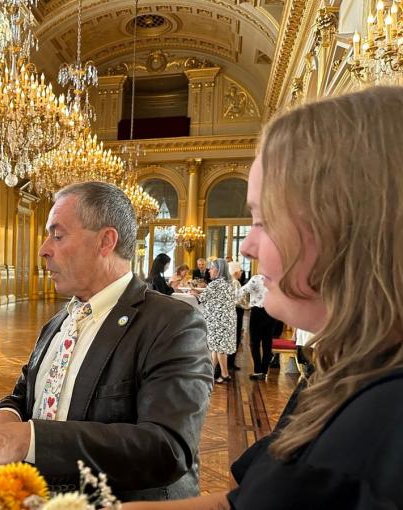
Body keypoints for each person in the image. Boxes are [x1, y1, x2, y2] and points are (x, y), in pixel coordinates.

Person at [123, 87, 403, 509]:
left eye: (263, 220)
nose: (248, 247)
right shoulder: (341, 370)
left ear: (349, 224)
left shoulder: (383, 429)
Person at [0, 182, 212, 501]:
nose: (44, 249)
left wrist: (28, 439)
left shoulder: (172, 323)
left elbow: (167, 448)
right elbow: (24, 395)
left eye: (58, 235)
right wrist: (4, 417)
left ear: (106, 241)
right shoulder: (59, 321)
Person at [192, 258, 236, 383]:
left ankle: (225, 374)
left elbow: (202, 298)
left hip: (217, 321)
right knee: (216, 348)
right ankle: (210, 373)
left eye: (212, 268)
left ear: (218, 270)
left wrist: (194, 293)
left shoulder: (215, 284)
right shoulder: (230, 283)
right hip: (226, 320)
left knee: (219, 349)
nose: (209, 271)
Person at [238, 274, 275, 381]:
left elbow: (242, 291)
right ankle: (264, 371)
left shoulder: (256, 278)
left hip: (258, 312)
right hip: (272, 312)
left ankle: (258, 371)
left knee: (254, 343)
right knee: (267, 343)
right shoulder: (276, 278)